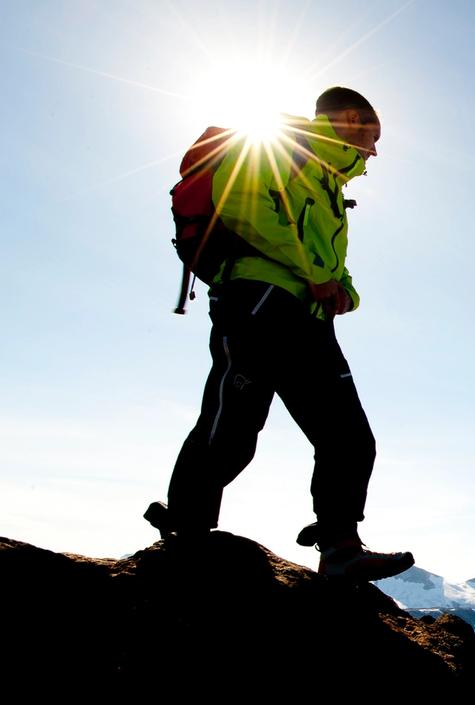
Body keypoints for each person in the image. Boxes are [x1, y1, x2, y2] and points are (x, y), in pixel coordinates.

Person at [147, 86, 413, 582]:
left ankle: (340, 548)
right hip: (256, 298)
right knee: (233, 421)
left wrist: (344, 292)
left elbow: (333, 262)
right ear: (351, 119)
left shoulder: (331, 184)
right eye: (372, 137)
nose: (374, 151)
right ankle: (186, 531)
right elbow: (244, 208)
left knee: (350, 436)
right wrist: (312, 270)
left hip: (309, 314)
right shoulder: (276, 146)